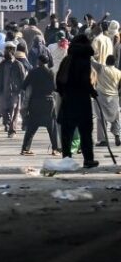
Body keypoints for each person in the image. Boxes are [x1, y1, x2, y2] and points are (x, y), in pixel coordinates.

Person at [55, 34, 99, 168]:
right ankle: (88, 160)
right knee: (85, 132)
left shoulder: (67, 60)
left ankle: (66, 159)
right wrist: (92, 92)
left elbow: (59, 80)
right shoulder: (85, 60)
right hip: (83, 102)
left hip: (68, 100)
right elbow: (85, 80)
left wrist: (64, 94)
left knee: (67, 133)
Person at [20, 53, 60, 156]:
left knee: (31, 126)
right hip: (48, 102)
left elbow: (24, 86)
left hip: (35, 102)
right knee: (52, 127)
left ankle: (25, 149)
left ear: (39, 61)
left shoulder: (33, 72)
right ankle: (55, 149)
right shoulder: (51, 73)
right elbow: (55, 88)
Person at [0, 43, 27, 137]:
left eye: (10, 49)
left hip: (15, 92)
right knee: (3, 109)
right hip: (3, 91)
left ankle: (12, 130)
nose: (7, 51)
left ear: (13, 51)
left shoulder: (18, 64)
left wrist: (21, 90)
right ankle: (7, 123)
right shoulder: (2, 64)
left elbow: (23, 78)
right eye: (6, 49)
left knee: (14, 110)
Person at [90, 54, 121, 147]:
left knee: (101, 118)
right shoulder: (119, 72)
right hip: (114, 98)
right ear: (114, 63)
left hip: (101, 97)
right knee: (115, 118)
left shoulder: (101, 68)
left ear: (106, 61)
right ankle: (117, 135)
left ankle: (103, 140)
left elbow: (91, 61)